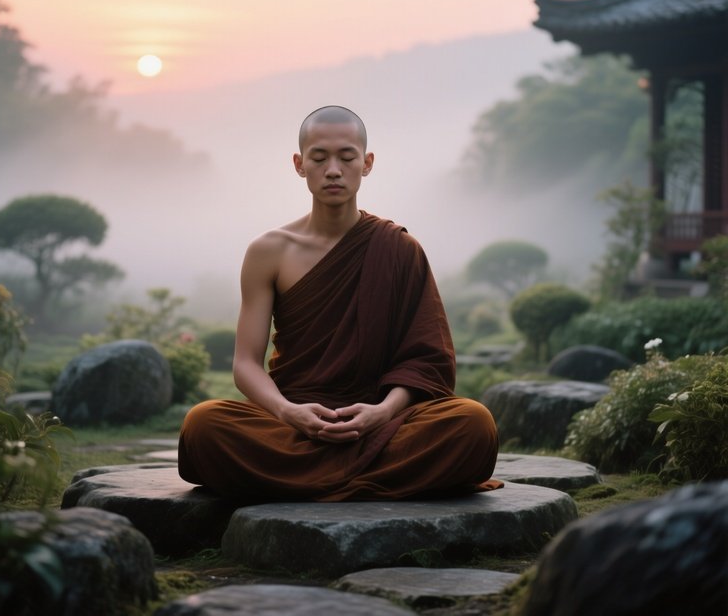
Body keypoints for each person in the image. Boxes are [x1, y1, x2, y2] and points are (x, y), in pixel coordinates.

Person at [178, 105, 501, 502]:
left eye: (346, 158)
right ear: (299, 164)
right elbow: (246, 363)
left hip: (384, 421)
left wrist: (382, 412)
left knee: (473, 423)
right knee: (203, 424)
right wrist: (286, 412)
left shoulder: (398, 248)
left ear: (366, 164)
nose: (333, 169)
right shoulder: (269, 251)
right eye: (319, 158)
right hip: (294, 420)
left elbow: (427, 361)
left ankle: (301, 480)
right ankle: (373, 479)